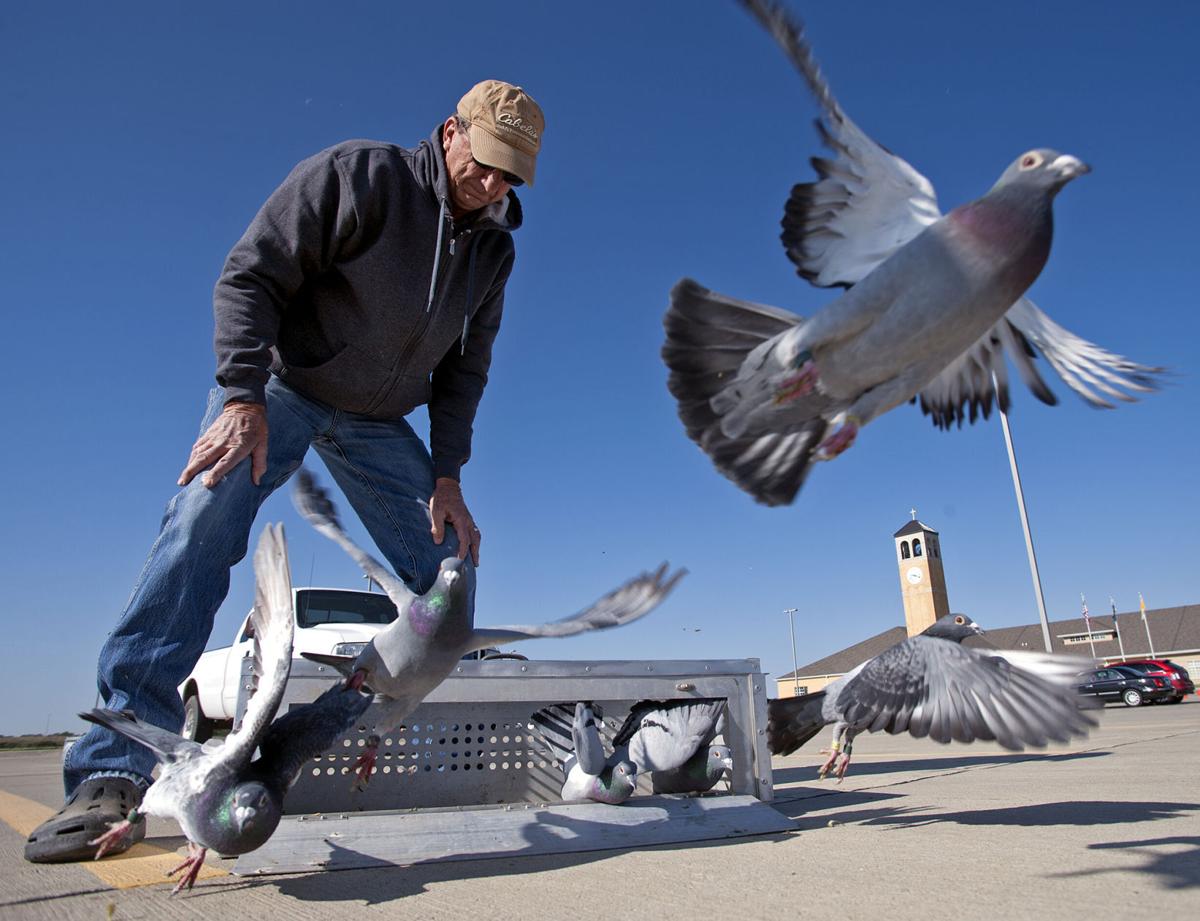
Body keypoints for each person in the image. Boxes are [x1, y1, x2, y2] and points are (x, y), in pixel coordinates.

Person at [25, 79, 544, 863]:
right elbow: (251, 275)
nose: (494, 185)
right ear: (450, 132)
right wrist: (240, 396)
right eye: (487, 162)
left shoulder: (495, 248)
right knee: (201, 523)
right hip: (283, 387)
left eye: (513, 175)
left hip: (377, 422)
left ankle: (321, 744)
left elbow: (467, 369)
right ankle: (110, 772)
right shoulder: (361, 176)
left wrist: (447, 476)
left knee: (449, 579)